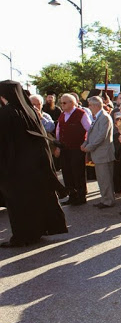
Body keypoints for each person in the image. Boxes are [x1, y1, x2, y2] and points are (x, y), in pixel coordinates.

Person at [0, 80, 68, 247]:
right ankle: (36, 232)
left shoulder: (7, 112)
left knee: (19, 204)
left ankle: (22, 237)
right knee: (34, 201)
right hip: (35, 165)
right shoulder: (29, 111)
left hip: (16, 168)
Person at [56, 93, 91, 206]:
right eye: (61, 103)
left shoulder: (81, 114)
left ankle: (81, 196)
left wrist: (86, 144)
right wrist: (57, 145)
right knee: (67, 172)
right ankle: (72, 195)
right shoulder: (62, 115)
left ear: (72, 103)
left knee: (78, 172)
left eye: (64, 103)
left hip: (77, 148)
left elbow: (89, 129)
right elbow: (58, 130)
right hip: (64, 148)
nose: (62, 105)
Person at [81, 96, 116, 209]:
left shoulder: (104, 117)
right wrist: (85, 143)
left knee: (105, 178)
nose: (89, 107)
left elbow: (102, 136)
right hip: (99, 153)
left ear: (96, 105)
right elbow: (92, 133)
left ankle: (108, 200)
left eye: (90, 105)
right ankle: (105, 198)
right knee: (101, 178)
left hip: (103, 154)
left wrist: (89, 147)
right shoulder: (97, 117)